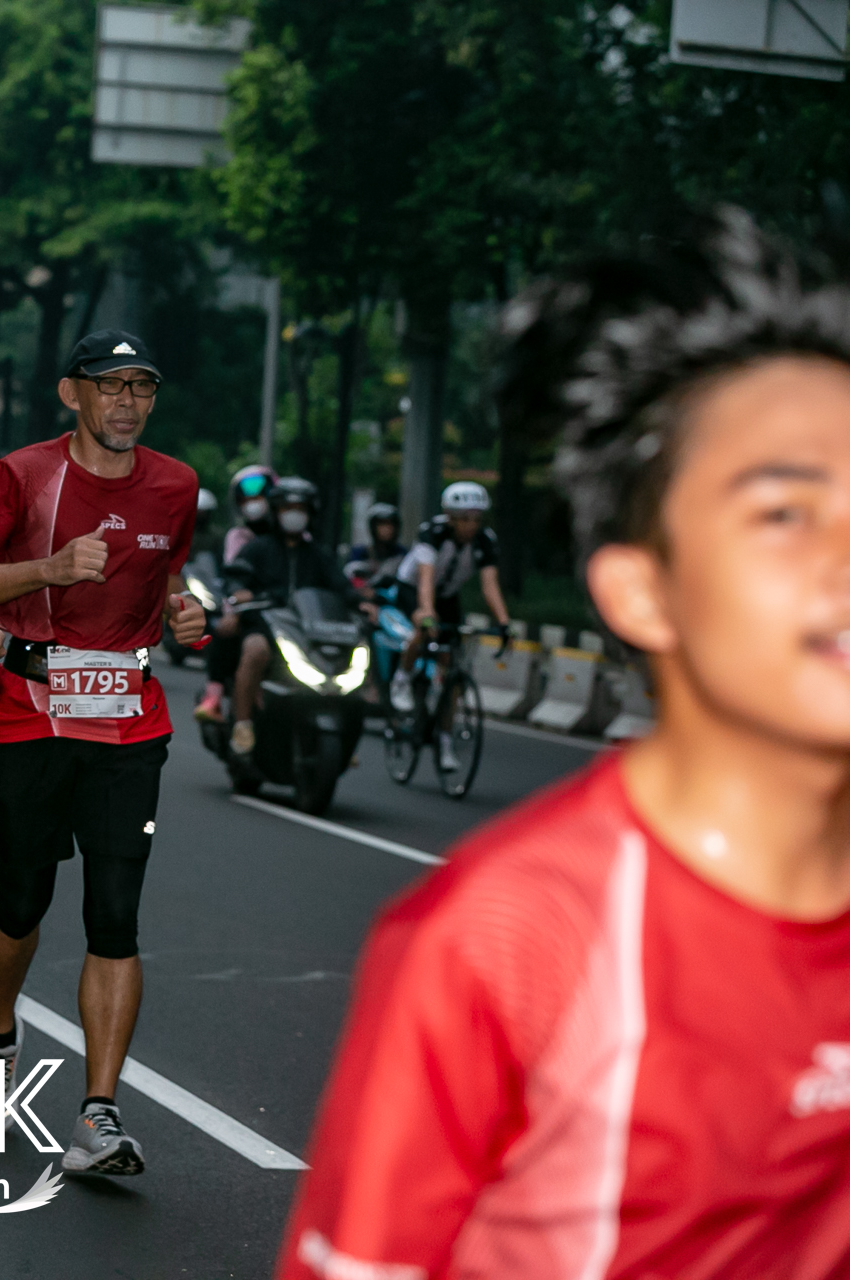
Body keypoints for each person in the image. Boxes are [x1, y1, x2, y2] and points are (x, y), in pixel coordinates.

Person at [279, 208, 850, 1279]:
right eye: (786, 512)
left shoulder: (482, 539)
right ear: (643, 588)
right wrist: (436, 618)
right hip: (413, 610)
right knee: (416, 644)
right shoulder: (510, 941)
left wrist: (498, 623)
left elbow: (490, 586)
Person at [0, 327, 206, 1178]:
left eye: (142, 386)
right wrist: (51, 568)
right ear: (73, 394)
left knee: (115, 913)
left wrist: (186, 613)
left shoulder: (177, 484)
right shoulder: (23, 474)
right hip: (29, 710)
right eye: (111, 385)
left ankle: (100, 1114)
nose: (128, 402)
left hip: (130, 720)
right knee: (23, 897)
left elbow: (169, 575)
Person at [223, 477, 350, 756]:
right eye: (287, 508)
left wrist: (364, 602)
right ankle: (243, 724)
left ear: (311, 513)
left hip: (307, 631)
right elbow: (235, 577)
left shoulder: (318, 555)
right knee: (254, 651)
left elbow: (342, 587)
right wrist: (239, 591)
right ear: (276, 511)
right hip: (264, 626)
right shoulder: (258, 548)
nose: (294, 514)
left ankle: (348, 732)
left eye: (300, 509)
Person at [388, 482, 514, 739]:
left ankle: (444, 736)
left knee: (452, 659)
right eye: (464, 519)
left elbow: (489, 586)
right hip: (413, 588)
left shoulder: (484, 540)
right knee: (424, 625)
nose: (471, 525)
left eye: (476, 519)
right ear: (450, 517)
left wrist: (504, 623)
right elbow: (426, 579)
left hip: (447, 595)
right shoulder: (432, 533)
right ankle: (402, 678)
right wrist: (426, 612)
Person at [195, 464, 278, 722]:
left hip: (283, 612)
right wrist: (234, 609)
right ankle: (214, 695)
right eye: (247, 499)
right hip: (247, 609)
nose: (254, 504)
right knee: (224, 629)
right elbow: (233, 576)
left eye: (260, 497)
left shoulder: (295, 537)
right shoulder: (239, 537)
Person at [347, 501, 406, 584]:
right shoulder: (359, 553)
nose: (386, 529)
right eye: (381, 524)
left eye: (389, 524)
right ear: (373, 527)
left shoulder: (402, 555)